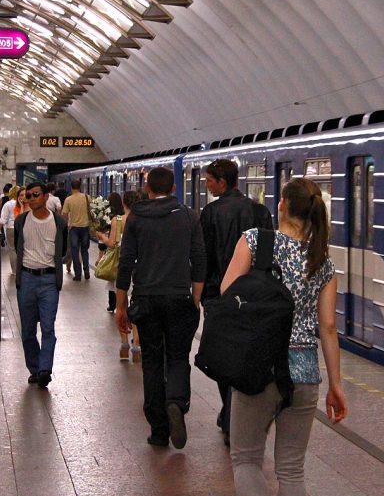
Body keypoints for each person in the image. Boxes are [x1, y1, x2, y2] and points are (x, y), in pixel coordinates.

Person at [223, 177, 347, 496]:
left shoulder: (255, 240)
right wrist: (337, 386)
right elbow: (327, 328)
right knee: (292, 470)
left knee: (245, 460)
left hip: (257, 368)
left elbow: (228, 294)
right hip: (305, 374)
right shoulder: (322, 262)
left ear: (281, 206)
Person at [115, 167, 206, 449]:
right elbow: (199, 260)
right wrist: (195, 298)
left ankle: (158, 430)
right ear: (175, 188)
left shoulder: (136, 218)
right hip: (179, 297)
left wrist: (121, 306)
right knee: (178, 357)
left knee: (152, 361)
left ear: (147, 187)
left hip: (146, 299)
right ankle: (177, 402)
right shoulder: (189, 216)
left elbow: (126, 262)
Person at [200, 158, 274, 445]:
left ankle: (230, 412)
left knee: (223, 353)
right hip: (256, 295)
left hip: (220, 294)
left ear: (222, 181)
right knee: (249, 352)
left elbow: (204, 257)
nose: (206, 186)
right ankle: (234, 413)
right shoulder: (260, 212)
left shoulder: (210, 213)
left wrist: (200, 294)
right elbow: (267, 255)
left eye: (209, 181)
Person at [14, 182, 69, 389]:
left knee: (48, 327)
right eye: (28, 195)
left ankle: (45, 369)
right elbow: (17, 245)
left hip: (48, 280)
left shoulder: (59, 223)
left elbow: (63, 250)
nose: (31, 198)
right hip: (27, 278)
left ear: (46, 196)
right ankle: (35, 368)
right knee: (28, 330)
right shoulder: (21, 222)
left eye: (35, 194)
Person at [97, 191, 142, 362]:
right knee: (136, 307)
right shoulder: (142, 220)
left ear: (124, 203)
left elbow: (112, 243)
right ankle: (137, 344)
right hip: (139, 269)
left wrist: (102, 236)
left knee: (121, 307)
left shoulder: (118, 220)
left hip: (121, 267)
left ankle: (124, 344)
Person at [60, 179, 93, 281]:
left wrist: (67, 224)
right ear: (80, 187)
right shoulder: (87, 197)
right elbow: (92, 210)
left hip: (74, 228)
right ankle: (87, 271)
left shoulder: (68, 199)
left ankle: (78, 275)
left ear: (71, 187)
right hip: (85, 227)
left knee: (74, 252)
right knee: (84, 250)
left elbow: (64, 215)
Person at [0, 186, 21, 276]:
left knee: (12, 249)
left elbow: (3, 220)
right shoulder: (22, 203)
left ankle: (15, 270)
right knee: (21, 249)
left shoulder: (8, 204)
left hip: (10, 228)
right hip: (21, 228)